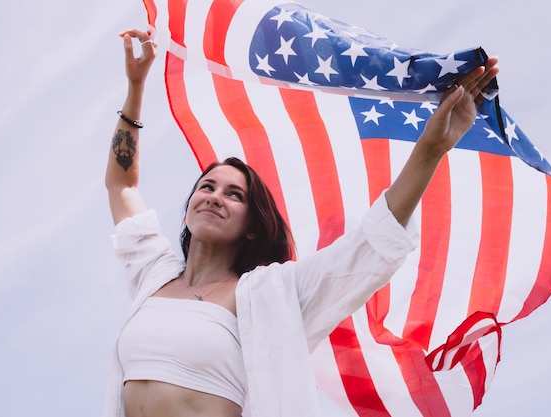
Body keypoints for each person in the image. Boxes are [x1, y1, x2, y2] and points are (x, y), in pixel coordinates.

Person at [102, 28, 499, 417]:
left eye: (233, 194)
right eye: (207, 186)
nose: (214, 196)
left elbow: (370, 244)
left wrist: (431, 147)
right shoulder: (154, 276)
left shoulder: (273, 294)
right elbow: (122, 185)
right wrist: (136, 88)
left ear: (254, 226)